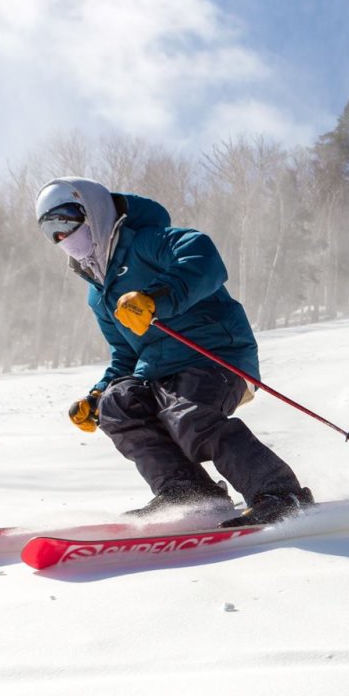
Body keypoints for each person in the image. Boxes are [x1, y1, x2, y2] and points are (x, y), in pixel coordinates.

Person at [34, 176, 313, 525]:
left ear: (92, 211)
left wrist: (157, 299)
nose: (63, 236)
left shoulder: (145, 242)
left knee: (190, 417)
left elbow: (204, 256)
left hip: (214, 354)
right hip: (158, 372)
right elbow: (124, 354)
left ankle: (279, 492)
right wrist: (97, 395)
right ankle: (190, 493)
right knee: (117, 406)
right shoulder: (98, 291)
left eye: (66, 220)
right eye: (51, 232)